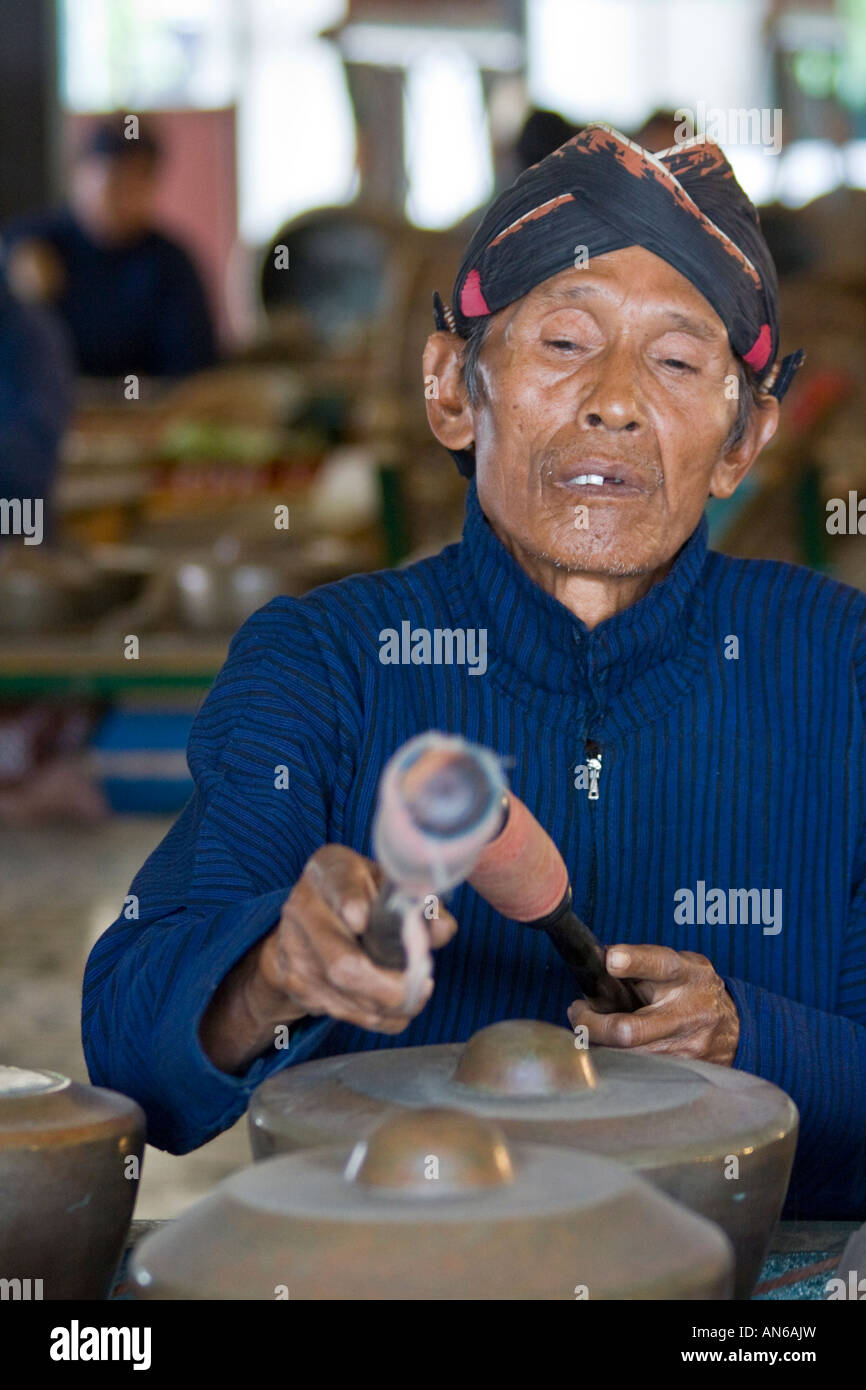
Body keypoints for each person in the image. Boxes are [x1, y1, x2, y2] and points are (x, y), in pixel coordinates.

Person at [83, 124, 864, 1221]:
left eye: (680, 361)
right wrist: (271, 970)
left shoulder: (840, 667)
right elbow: (128, 1056)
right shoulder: (325, 664)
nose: (615, 400)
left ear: (743, 439)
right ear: (452, 385)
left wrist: (755, 1040)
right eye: (561, 345)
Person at [2, 116, 217, 379]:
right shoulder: (32, 245)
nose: (125, 199)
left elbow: (195, 368)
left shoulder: (170, 263)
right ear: (80, 174)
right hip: (49, 408)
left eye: (138, 184)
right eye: (114, 183)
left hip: (143, 412)